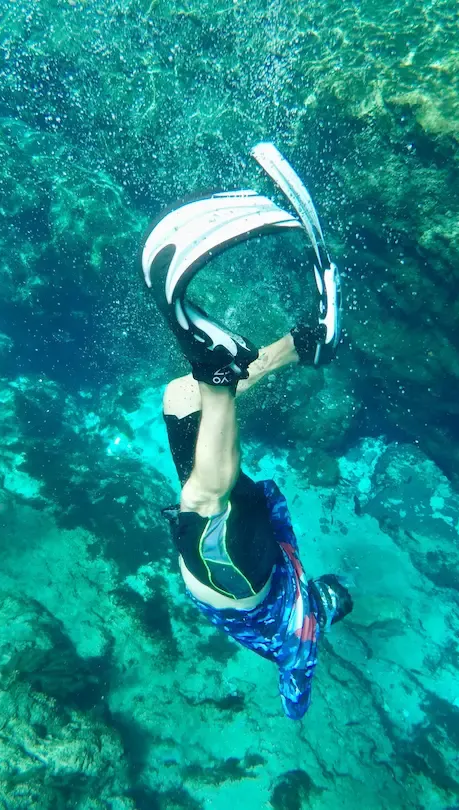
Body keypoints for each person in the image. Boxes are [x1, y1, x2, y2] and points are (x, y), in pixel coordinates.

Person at [142, 144, 354, 720]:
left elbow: (296, 695)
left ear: (327, 601)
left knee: (177, 401)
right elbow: (295, 702)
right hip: (233, 580)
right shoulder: (300, 640)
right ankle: (225, 371)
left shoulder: (305, 612)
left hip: (256, 549)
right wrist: (295, 705)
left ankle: (296, 347)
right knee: (202, 495)